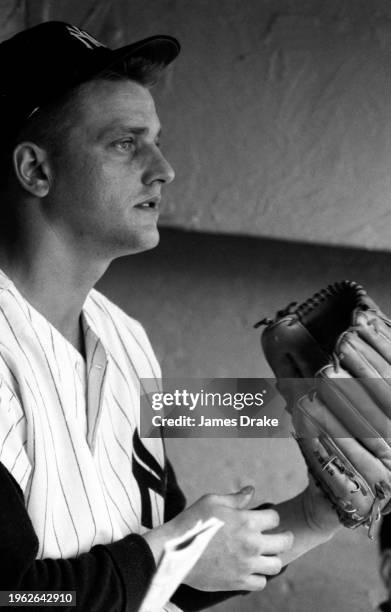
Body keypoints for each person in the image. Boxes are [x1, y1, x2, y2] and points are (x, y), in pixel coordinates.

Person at [0, 20, 341, 612]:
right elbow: (18, 598)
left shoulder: (126, 339)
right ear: (36, 170)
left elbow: (172, 577)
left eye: (157, 140)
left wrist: (314, 515)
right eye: (126, 143)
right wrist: (169, 556)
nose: (164, 168)